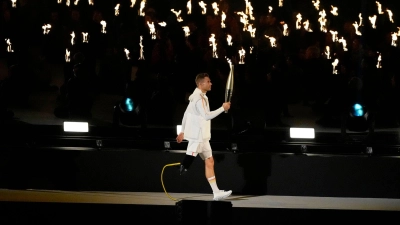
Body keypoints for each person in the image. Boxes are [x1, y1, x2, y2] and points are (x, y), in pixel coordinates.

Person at [176, 73, 232, 201]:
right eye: (208, 81)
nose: (211, 83)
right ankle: (182, 166)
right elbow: (206, 116)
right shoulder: (197, 98)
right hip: (197, 136)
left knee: (210, 161)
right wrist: (222, 108)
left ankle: (216, 192)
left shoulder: (199, 97)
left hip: (204, 136)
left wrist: (182, 131)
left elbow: (186, 114)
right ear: (201, 84)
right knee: (188, 160)